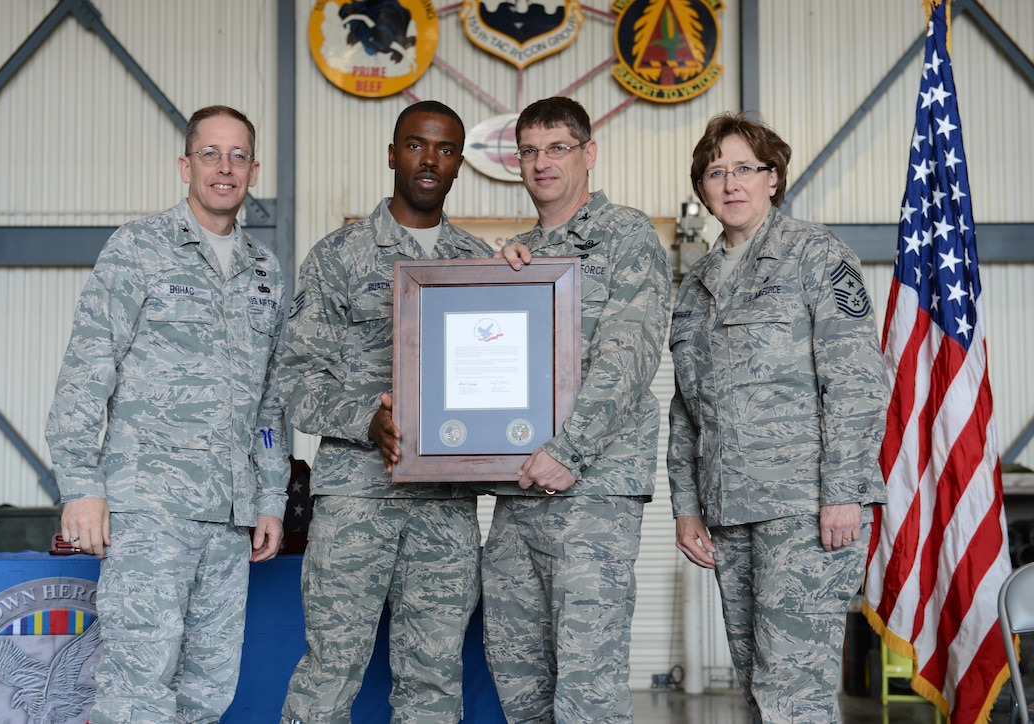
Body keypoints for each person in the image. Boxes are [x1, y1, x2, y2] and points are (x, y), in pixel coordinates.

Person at [45, 105, 289, 722]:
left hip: (230, 520)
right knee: (137, 691)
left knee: (207, 694)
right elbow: (87, 367)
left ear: (254, 170)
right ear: (186, 165)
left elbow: (268, 402)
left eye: (237, 156)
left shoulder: (265, 271)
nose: (224, 168)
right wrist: (80, 486)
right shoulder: (140, 248)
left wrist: (269, 498)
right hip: (149, 509)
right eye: (210, 153)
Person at [667, 111, 887, 723]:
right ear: (702, 188)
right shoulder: (698, 284)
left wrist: (843, 491)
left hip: (806, 508)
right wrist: (686, 508)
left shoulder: (814, 254)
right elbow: (686, 411)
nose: (731, 183)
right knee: (759, 690)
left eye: (746, 168)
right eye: (717, 171)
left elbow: (856, 379)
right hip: (729, 512)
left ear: (773, 178)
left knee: (794, 694)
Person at [278, 100, 493, 724]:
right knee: (331, 670)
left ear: (458, 166)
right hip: (355, 500)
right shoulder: (339, 256)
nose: (430, 160)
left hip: (446, 506)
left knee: (433, 678)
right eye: (417, 145)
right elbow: (296, 378)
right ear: (393, 153)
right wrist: (366, 421)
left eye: (446, 149)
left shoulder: (477, 261)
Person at [489, 96, 673, 723]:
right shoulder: (519, 256)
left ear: (588, 154)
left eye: (558, 148)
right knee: (520, 682)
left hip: (590, 493)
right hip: (516, 492)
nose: (543, 163)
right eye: (531, 151)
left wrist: (568, 452)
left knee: (586, 688)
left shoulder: (626, 235)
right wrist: (490, 288)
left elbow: (629, 358)